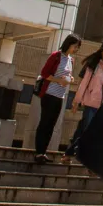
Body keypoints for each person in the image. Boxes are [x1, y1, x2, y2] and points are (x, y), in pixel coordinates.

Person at [63, 37, 103, 159]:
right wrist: (76, 102)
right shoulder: (94, 65)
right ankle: (84, 156)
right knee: (88, 130)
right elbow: (83, 84)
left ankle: (69, 154)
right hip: (90, 104)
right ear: (102, 50)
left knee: (83, 129)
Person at [34, 34, 80, 162]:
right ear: (68, 44)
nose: (76, 49)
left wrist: (70, 79)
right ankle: (39, 152)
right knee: (45, 122)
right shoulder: (56, 56)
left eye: (77, 47)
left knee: (51, 124)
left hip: (60, 95)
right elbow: (44, 73)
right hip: (49, 93)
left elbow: (67, 75)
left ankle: (43, 152)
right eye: (75, 46)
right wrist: (58, 80)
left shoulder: (71, 60)